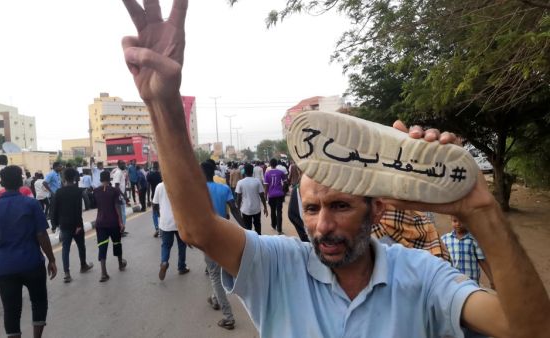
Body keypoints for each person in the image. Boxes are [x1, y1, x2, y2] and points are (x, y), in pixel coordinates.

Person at [120, 2, 550, 337]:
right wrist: (164, 104)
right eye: (310, 209)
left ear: (377, 209)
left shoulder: (423, 276)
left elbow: (528, 328)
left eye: (340, 205)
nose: (322, 225)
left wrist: (479, 209)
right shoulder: (277, 268)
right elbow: (197, 228)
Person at [0, 165, 57, 338]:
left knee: (11, 310)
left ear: (1, 183)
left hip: (4, 267)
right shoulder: (31, 204)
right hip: (32, 263)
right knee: (38, 302)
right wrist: (51, 259)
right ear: (21, 181)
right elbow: (41, 235)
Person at [201, 161, 242, 330]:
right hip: (224, 235)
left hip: (208, 238)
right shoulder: (224, 189)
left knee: (215, 276)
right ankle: (215, 298)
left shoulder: (198, 191)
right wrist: (246, 227)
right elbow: (233, 209)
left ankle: (228, 317)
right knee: (221, 272)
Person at [52, 168, 94, 283]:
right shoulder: (78, 191)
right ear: (75, 178)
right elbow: (80, 209)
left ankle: (66, 273)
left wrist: (54, 225)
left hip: (64, 224)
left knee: (65, 248)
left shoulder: (58, 192)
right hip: (76, 224)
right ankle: (83, 265)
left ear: (64, 178)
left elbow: (54, 209)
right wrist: (79, 225)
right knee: (81, 245)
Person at [93, 171, 127, 282]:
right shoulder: (114, 191)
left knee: (102, 246)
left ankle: (103, 273)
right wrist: (121, 222)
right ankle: (120, 264)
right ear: (109, 179)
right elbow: (117, 206)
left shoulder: (96, 191)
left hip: (100, 223)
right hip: (113, 222)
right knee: (117, 243)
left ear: (100, 179)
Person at [442, 216, 494, 288]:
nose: (458, 224)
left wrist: (492, 281)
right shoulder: (445, 239)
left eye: (461, 221)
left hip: (470, 282)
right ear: (451, 220)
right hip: (452, 281)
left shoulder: (474, 239)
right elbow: (441, 260)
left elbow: (482, 261)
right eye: (455, 221)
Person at [152, 181, 189, 280]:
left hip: (165, 222)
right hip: (179, 221)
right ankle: (181, 267)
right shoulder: (180, 185)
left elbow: (154, 205)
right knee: (182, 245)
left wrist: (159, 214)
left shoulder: (159, 186)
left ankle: (164, 262)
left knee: (166, 245)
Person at [235, 163, 268, 235]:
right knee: (258, 226)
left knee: (247, 229)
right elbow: (262, 196)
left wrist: (237, 209)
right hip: (256, 209)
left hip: (245, 209)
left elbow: (238, 198)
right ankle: (259, 241)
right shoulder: (257, 181)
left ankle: (250, 243)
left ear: (244, 172)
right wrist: (265, 207)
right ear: (252, 171)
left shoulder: (240, 182)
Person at [264, 158, 286, 234]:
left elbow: (266, 187)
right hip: (279, 194)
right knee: (279, 211)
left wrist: (265, 196)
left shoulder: (267, 173)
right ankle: (279, 229)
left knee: (273, 210)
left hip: (271, 195)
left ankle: (273, 225)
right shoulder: (281, 172)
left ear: (270, 164)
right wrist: (282, 189)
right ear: (276, 164)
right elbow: (285, 182)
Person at [43, 162, 63, 231]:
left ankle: (58, 224)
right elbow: (44, 183)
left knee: (59, 210)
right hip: (54, 195)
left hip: (59, 195)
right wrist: (52, 192)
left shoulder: (58, 174)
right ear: (55, 167)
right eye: (60, 166)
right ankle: (54, 226)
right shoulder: (51, 174)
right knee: (53, 211)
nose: (61, 167)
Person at [112, 160, 129, 236]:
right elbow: (116, 186)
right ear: (118, 164)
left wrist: (125, 195)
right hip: (118, 196)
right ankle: (120, 230)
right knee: (121, 215)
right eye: (123, 164)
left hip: (121, 196)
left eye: (124, 163)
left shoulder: (121, 172)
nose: (124, 165)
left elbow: (122, 186)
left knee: (123, 214)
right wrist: (122, 196)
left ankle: (122, 229)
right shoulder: (118, 173)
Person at [146, 162, 162, 237]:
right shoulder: (161, 175)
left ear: (152, 167)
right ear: (158, 167)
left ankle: (157, 229)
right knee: (162, 213)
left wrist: (148, 199)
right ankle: (163, 229)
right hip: (162, 197)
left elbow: (148, 188)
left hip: (154, 197)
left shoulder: (150, 175)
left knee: (155, 214)